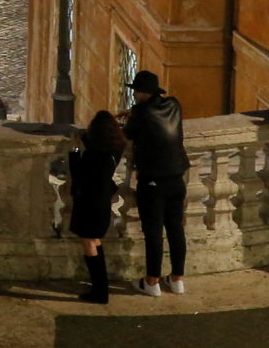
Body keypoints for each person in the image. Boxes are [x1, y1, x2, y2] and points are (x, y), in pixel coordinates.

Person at [124, 69, 189, 296]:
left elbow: (128, 133)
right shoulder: (174, 104)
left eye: (136, 92)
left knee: (153, 231)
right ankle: (177, 279)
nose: (134, 96)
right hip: (177, 177)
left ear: (142, 93)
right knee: (175, 228)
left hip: (153, 179)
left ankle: (152, 281)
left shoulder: (141, 112)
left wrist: (130, 116)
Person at [69, 110, 127, 304]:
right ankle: (101, 287)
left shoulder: (93, 155)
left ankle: (100, 291)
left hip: (88, 201)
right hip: (102, 201)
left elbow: (78, 172)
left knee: (89, 243)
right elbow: (98, 146)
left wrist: (75, 151)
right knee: (96, 240)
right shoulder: (116, 149)